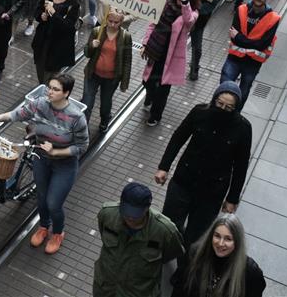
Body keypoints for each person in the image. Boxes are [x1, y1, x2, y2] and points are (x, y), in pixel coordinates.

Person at [0, 73, 87, 254]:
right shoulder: (39, 104)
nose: (50, 92)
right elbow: (17, 114)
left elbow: (81, 146)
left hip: (64, 164)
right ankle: (43, 226)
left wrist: (56, 151)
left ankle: (58, 232)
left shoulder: (76, 117)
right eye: (49, 87)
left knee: (54, 203)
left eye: (56, 89)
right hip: (41, 157)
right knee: (41, 196)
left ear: (66, 93)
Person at [155, 81, 252, 245]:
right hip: (183, 181)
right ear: (214, 99)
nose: (222, 109)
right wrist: (164, 167)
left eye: (228, 108)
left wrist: (232, 199)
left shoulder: (243, 128)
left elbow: (241, 166)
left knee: (196, 236)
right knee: (169, 225)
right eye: (219, 104)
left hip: (211, 193)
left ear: (236, 108)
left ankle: (185, 264)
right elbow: (178, 138)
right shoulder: (199, 112)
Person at [93, 182, 184, 297]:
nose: (130, 217)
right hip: (105, 288)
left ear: (147, 208)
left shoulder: (165, 231)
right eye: (126, 211)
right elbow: (103, 232)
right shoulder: (107, 214)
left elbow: (170, 254)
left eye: (135, 213)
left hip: (139, 292)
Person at [141, 0, 197, 127]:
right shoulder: (165, 5)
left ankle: (155, 115)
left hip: (171, 57)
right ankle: (150, 96)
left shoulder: (192, 13)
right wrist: (145, 44)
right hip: (155, 51)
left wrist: (185, 1)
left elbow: (188, 21)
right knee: (147, 82)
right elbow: (152, 24)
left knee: (163, 89)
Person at [171, 213, 266, 297]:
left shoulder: (250, 272)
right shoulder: (195, 254)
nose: (220, 243)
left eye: (228, 239)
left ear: (237, 242)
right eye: (217, 236)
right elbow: (179, 288)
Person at [220, 0, 280, 109]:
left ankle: (235, 116)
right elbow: (233, 36)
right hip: (234, 58)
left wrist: (240, 38)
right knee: (224, 87)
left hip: (253, 62)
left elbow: (263, 44)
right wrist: (251, 42)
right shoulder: (241, 9)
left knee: (244, 89)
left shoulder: (273, 18)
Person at [81, 9, 133, 133]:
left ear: (121, 22)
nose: (113, 25)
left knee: (105, 104)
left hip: (111, 78)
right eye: (110, 21)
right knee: (87, 102)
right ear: (106, 19)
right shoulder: (97, 32)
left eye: (116, 22)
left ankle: (105, 119)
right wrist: (91, 46)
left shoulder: (126, 37)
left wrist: (124, 83)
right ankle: (82, 128)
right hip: (93, 74)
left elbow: (127, 61)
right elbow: (87, 54)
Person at [31, 0, 81, 84]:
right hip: (42, 42)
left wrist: (53, 12)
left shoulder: (73, 3)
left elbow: (68, 27)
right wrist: (41, 16)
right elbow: (37, 11)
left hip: (57, 46)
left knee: (50, 77)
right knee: (40, 70)